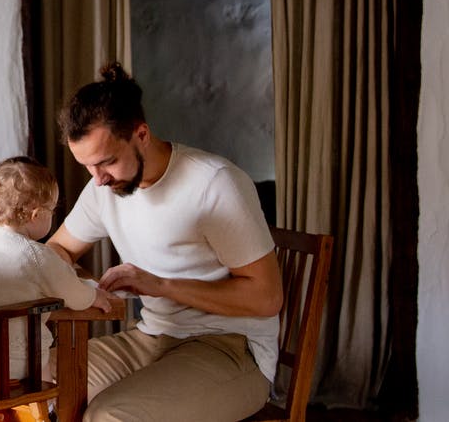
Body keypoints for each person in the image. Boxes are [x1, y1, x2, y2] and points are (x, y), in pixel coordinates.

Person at [46, 62, 283, 422]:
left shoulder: (215, 184)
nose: (97, 180)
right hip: (150, 338)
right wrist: (81, 287)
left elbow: (267, 298)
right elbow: (57, 250)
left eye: (107, 162)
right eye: (87, 166)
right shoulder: (102, 189)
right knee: (32, 381)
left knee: (109, 416)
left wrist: (160, 286)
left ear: (141, 134)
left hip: (230, 347)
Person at [0, 156, 117, 381]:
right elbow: (74, 294)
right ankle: (46, 410)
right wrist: (95, 295)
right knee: (43, 366)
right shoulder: (37, 256)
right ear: (36, 215)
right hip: (8, 363)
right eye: (52, 209)